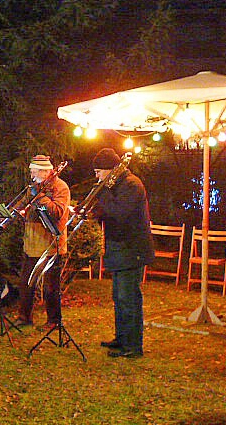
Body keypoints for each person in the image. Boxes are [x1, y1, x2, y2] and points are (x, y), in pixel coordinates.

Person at [91, 148, 154, 358]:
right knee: (119, 297)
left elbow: (119, 213)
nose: (97, 177)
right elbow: (109, 212)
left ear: (110, 169)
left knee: (129, 299)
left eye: (99, 172)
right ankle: (122, 338)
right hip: (120, 248)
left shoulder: (131, 185)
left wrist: (102, 193)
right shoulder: (117, 186)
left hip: (132, 249)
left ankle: (133, 346)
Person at [17, 155, 70, 329]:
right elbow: (22, 204)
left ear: (44, 172)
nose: (31, 175)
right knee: (26, 282)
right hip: (32, 243)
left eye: (34, 172)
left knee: (50, 287)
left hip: (51, 244)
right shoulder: (35, 187)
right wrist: (12, 212)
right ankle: (24, 317)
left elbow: (58, 212)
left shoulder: (61, 187)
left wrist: (40, 196)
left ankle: (54, 320)